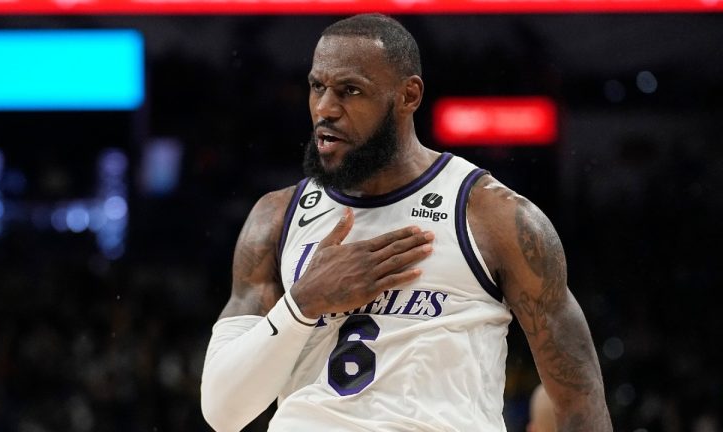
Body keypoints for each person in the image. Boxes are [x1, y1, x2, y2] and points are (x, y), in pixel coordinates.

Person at [200, 13, 611, 432]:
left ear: (408, 95)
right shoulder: (275, 217)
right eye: (317, 87)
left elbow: (580, 399)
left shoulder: (496, 217)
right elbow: (222, 412)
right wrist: (302, 305)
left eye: (350, 91)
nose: (325, 108)